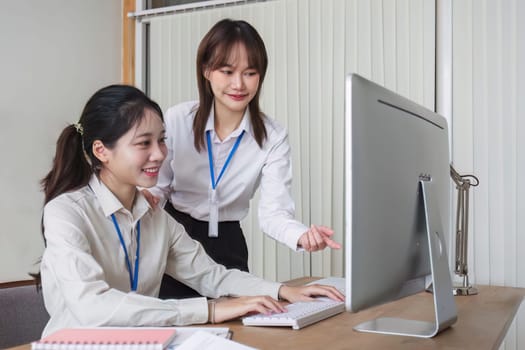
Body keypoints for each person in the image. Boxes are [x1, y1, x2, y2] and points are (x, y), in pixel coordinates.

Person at [39, 84, 343, 337]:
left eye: (161, 140)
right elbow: (92, 306)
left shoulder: (155, 216)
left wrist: (281, 291)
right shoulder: (66, 214)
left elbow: (212, 276)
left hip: (143, 343)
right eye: (144, 143)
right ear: (101, 150)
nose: (159, 154)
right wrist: (208, 309)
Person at [143, 18, 341, 299]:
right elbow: (158, 188)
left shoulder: (272, 136)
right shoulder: (177, 119)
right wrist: (143, 200)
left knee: (238, 327)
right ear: (207, 70)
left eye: (250, 73)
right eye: (227, 71)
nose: (238, 84)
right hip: (175, 237)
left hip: (228, 241)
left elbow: (273, 213)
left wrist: (301, 236)